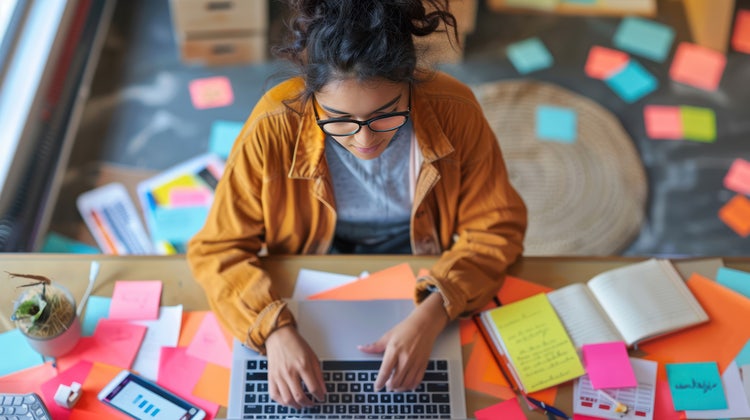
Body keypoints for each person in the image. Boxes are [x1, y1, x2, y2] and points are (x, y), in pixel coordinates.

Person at [187, 0, 527, 410]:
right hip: (311, 262)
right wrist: (272, 330)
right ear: (311, 96)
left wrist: (436, 310)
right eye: (339, 120)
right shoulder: (273, 125)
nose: (364, 141)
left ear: (411, 84)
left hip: (422, 260)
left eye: (386, 115)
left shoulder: (456, 111)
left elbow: (496, 229)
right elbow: (218, 248)